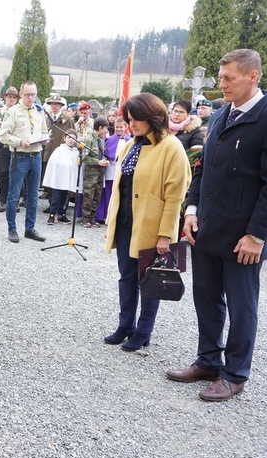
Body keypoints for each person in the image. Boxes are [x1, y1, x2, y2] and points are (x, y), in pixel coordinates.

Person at [167, 49, 267, 402]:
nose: (221, 85)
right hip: (208, 228)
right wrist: (192, 209)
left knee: (242, 306)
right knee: (207, 299)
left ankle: (235, 373)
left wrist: (257, 234)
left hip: (244, 237)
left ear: (253, 76)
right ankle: (208, 361)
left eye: (229, 78)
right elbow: (204, 167)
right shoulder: (223, 113)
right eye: (221, 77)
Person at [103, 93, 190, 352]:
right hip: (127, 223)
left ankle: (143, 331)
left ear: (153, 117)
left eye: (137, 119)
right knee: (126, 277)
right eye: (130, 119)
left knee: (150, 280)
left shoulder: (171, 147)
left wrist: (166, 235)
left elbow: (175, 196)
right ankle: (125, 325)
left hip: (152, 227)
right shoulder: (131, 145)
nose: (132, 125)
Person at [0, 80, 49, 244]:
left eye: (33, 94)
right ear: (21, 94)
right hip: (20, 156)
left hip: (36, 156)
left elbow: (44, 131)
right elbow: (3, 135)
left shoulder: (38, 111)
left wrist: (44, 139)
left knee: (33, 195)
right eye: (27, 94)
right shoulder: (13, 112)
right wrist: (20, 142)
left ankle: (30, 228)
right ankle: (12, 229)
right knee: (14, 195)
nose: (31, 97)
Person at [0, 87, 20, 212]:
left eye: (14, 97)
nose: (12, 99)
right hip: (3, 146)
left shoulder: (20, 112)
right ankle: (3, 201)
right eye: (9, 97)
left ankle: (14, 202)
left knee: (16, 175)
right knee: (3, 174)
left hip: (16, 147)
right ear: (5, 98)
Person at [96, 117, 131, 223]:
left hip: (123, 169)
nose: (118, 129)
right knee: (109, 191)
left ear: (125, 127)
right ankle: (106, 214)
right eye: (116, 127)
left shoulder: (130, 141)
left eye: (121, 127)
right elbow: (105, 153)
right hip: (111, 168)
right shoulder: (109, 139)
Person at [43, 128, 80, 224]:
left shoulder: (76, 152)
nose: (71, 140)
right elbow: (53, 162)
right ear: (64, 138)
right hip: (58, 178)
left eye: (73, 138)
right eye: (69, 137)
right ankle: (51, 215)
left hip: (67, 178)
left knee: (65, 197)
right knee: (56, 198)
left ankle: (61, 214)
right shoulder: (59, 150)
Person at [79, 117, 110, 227]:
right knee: (89, 195)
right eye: (106, 128)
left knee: (97, 195)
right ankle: (85, 218)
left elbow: (103, 154)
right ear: (100, 128)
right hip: (91, 174)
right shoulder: (89, 140)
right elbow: (84, 157)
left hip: (100, 173)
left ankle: (92, 218)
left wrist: (105, 161)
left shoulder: (101, 141)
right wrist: (98, 162)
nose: (107, 131)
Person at [42, 94, 73, 202]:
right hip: (48, 153)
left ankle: (61, 205)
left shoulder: (67, 120)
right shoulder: (45, 119)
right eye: (52, 104)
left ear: (61, 106)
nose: (54, 106)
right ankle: (52, 204)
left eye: (57, 104)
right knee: (49, 180)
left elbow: (73, 134)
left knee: (61, 180)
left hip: (62, 154)